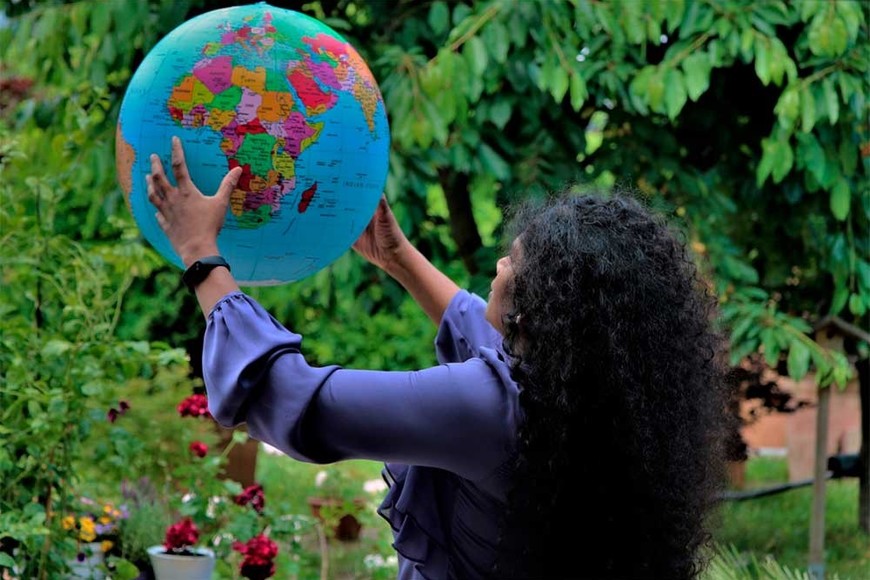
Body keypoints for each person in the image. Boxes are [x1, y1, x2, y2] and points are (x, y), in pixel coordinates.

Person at [147, 137, 729, 579]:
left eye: (512, 261)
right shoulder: (589, 405)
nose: (499, 266)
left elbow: (295, 403)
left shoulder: (487, 410)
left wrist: (200, 254)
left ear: (542, 309)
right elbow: (482, 329)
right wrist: (399, 258)